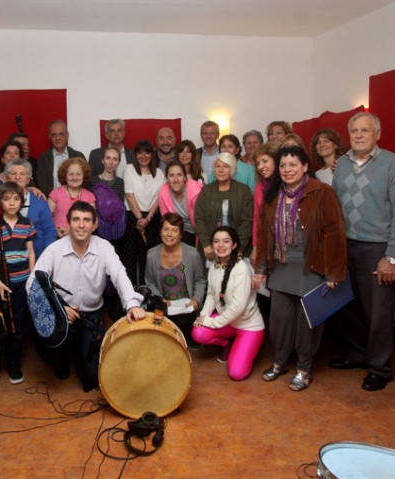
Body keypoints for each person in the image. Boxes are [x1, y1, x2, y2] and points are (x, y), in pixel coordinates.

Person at [331, 112, 395, 392]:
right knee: (348, 306)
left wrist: (391, 256)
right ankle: (357, 356)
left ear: (377, 134)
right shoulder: (341, 164)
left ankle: (379, 368)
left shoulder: (393, 165)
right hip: (345, 244)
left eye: (365, 130)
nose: (358, 135)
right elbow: (335, 206)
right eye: (354, 130)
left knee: (378, 312)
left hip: (377, 247)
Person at [253, 146, 347, 391]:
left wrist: (333, 272)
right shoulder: (273, 195)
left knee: (308, 324)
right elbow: (264, 235)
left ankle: (304, 368)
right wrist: (260, 267)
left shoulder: (322, 192)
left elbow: (335, 233)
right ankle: (280, 362)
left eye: (293, 164)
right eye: (283, 165)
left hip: (312, 267)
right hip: (281, 268)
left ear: (305, 166)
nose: (287, 170)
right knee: (280, 322)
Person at [29, 201, 146, 391]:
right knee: (54, 352)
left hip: (91, 314)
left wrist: (132, 304)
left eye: (86, 220)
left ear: (95, 224)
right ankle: (61, 360)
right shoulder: (54, 249)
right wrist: (57, 309)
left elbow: (119, 274)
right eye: (76, 219)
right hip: (62, 314)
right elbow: (32, 284)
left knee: (92, 381)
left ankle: (78, 350)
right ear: (68, 223)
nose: (81, 225)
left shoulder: (104, 247)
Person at [192, 226, 265, 380]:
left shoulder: (242, 269)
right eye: (216, 241)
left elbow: (238, 307)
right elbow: (211, 295)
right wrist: (203, 316)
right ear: (212, 245)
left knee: (237, 374)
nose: (220, 245)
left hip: (248, 326)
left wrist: (212, 322)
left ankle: (246, 346)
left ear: (234, 245)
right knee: (198, 332)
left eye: (226, 241)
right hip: (228, 323)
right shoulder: (214, 266)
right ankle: (228, 344)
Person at [0, 182, 36, 385]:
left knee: (19, 323)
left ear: (22, 201)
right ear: (0, 202)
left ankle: (14, 363)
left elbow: (31, 252)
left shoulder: (27, 223)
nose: (11, 203)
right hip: (0, 282)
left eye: (16, 199)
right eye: (7, 199)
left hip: (21, 282)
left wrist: (31, 277)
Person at [145, 213, 207, 349]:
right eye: (166, 229)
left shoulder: (192, 254)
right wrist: (160, 298)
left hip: (186, 308)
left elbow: (200, 280)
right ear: (160, 232)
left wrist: (196, 299)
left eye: (174, 230)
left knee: (184, 336)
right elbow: (149, 282)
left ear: (180, 235)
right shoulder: (152, 255)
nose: (169, 234)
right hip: (165, 308)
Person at [195, 152, 254, 261]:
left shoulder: (244, 190)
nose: (221, 170)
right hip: (210, 250)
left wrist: (238, 248)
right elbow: (199, 218)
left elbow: (247, 221)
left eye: (225, 166)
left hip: (237, 249)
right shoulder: (206, 190)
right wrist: (206, 244)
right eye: (218, 166)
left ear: (232, 169)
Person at [123, 139, 165, 285]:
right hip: (133, 217)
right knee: (130, 257)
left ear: (151, 155)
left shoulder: (159, 173)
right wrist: (140, 218)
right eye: (139, 153)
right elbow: (129, 195)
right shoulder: (129, 169)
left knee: (147, 257)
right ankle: (130, 293)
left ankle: (146, 291)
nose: (143, 156)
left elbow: (160, 198)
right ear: (135, 155)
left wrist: (148, 219)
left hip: (152, 218)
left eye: (147, 152)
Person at [5, 159, 56, 258]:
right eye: (13, 173)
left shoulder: (39, 201)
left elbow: (49, 232)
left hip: (39, 257)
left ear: (28, 179)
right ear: (7, 178)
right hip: (11, 259)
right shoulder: (1, 202)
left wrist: (47, 257)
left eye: (22, 174)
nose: (18, 177)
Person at [48, 157, 96, 238]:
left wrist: (73, 231)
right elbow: (45, 219)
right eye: (71, 174)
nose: (75, 177)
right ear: (65, 176)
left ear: (83, 176)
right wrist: (56, 231)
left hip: (82, 239)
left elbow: (94, 223)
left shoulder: (90, 196)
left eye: (78, 174)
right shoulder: (55, 194)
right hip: (58, 239)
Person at [158, 160, 201, 246]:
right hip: (177, 230)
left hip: (196, 230)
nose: (175, 180)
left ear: (185, 177)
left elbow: (203, 220)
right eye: (171, 175)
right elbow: (167, 222)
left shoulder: (196, 192)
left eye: (179, 175)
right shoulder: (163, 193)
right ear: (167, 178)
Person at [36, 120, 85, 196]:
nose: (58, 138)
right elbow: (42, 185)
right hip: (52, 202)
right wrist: (57, 198)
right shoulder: (43, 159)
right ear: (49, 137)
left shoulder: (78, 156)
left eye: (61, 134)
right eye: (54, 135)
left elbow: (86, 180)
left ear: (67, 135)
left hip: (77, 201)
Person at [250, 142, 280, 264]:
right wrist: (255, 247)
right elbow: (256, 219)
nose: (261, 166)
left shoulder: (286, 183)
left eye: (265, 161)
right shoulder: (259, 188)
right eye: (258, 164)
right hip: (266, 242)